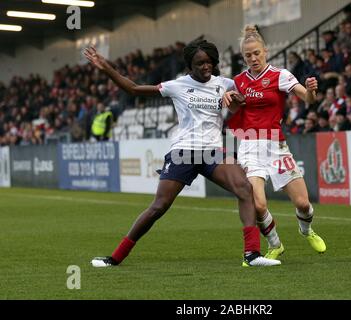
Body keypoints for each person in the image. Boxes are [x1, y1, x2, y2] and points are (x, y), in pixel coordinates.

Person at [84, 40, 280, 268]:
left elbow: (245, 101)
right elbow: (134, 89)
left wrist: (239, 100)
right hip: (184, 152)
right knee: (159, 207)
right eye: (200, 64)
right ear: (190, 66)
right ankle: (115, 257)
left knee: (244, 188)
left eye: (209, 62)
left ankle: (252, 254)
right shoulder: (177, 85)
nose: (206, 67)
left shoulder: (225, 84)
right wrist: (106, 67)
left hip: (212, 152)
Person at [224, 25, 326, 260]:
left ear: (265, 51)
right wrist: (229, 101)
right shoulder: (238, 82)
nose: (253, 58)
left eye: (256, 53)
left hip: (275, 146)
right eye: (248, 55)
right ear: (243, 57)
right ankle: (275, 243)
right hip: (249, 146)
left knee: (302, 203)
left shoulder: (280, 75)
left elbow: (307, 99)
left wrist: (311, 91)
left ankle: (306, 230)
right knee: (258, 205)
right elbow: (231, 108)